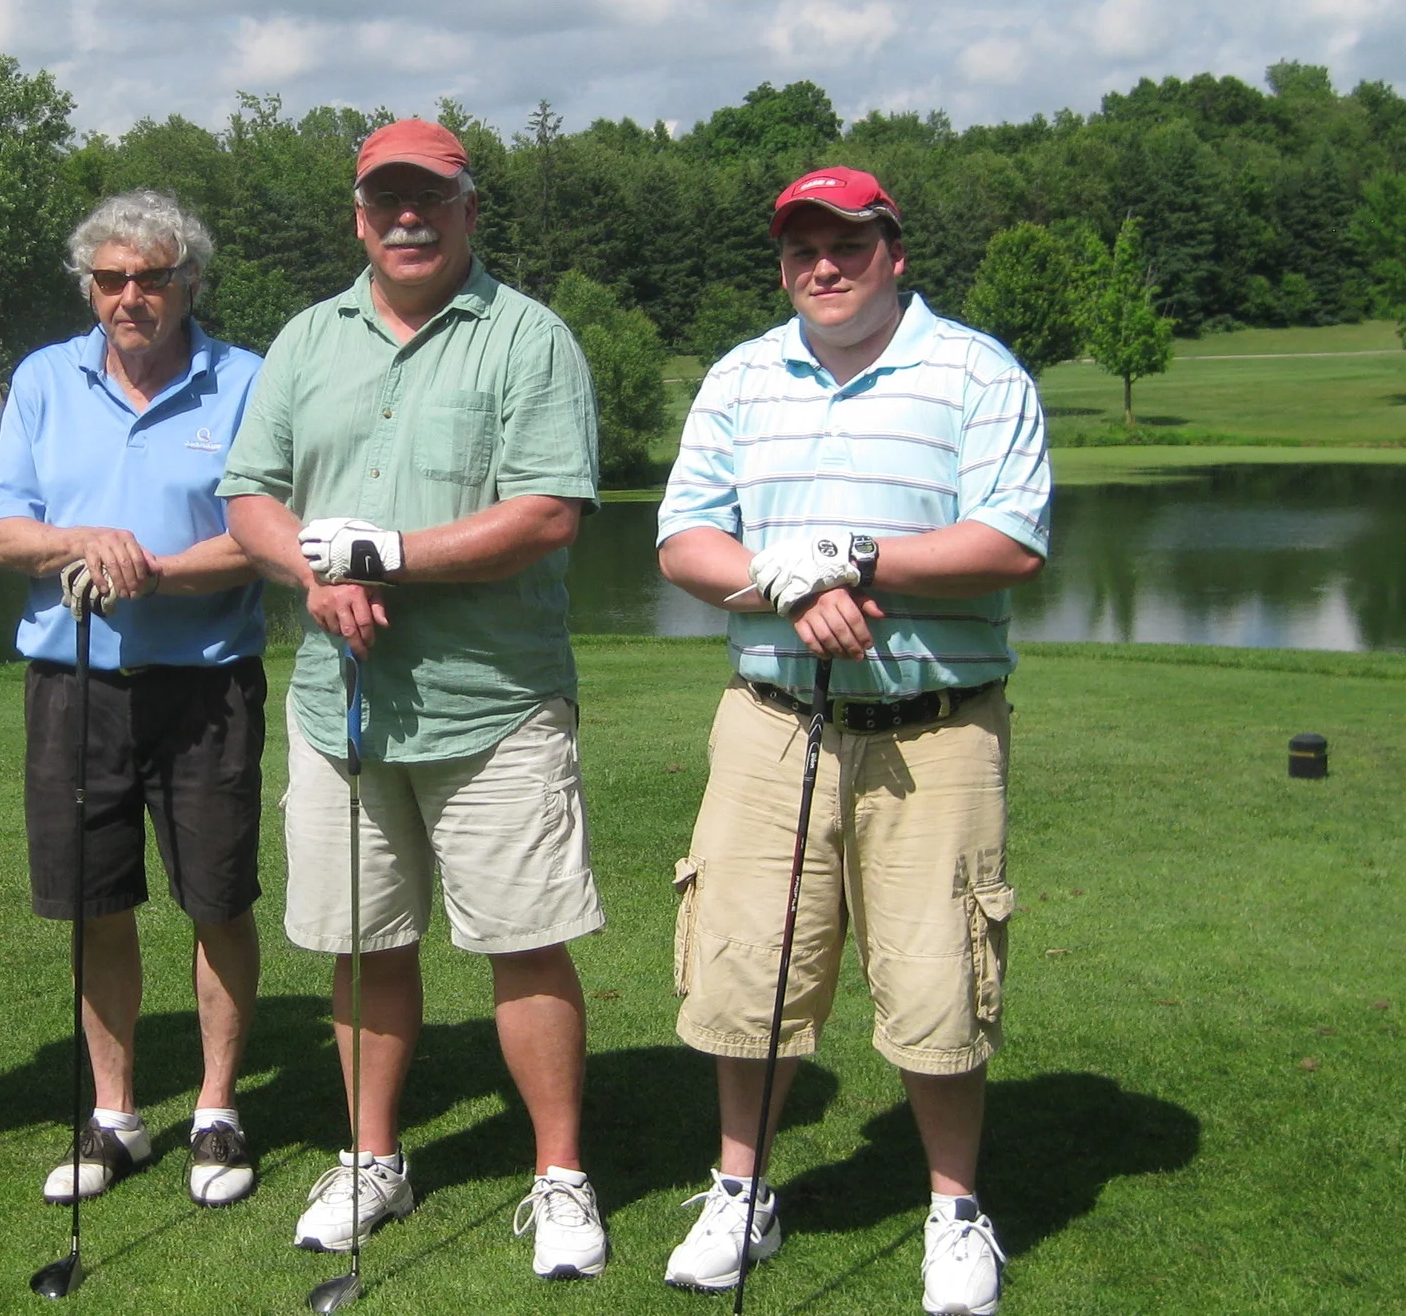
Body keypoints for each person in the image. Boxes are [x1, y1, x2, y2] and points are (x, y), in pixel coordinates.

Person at [218, 119, 612, 1280]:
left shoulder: (528, 338)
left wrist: (381, 552)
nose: (407, 216)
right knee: (360, 942)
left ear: (468, 210)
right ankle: (371, 1155)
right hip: (341, 706)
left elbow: (547, 510)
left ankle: (559, 1173)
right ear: (357, 213)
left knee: (524, 943)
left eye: (430, 198)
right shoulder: (306, 339)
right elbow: (251, 493)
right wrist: (311, 567)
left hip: (493, 704)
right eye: (385, 197)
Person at [653, 166, 1052, 1314]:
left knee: (938, 981)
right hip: (772, 719)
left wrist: (852, 556)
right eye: (799, 249)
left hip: (935, 729)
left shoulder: (974, 371)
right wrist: (779, 580)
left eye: (846, 245)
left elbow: (1008, 539)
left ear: (894, 252)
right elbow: (684, 538)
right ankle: (741, 1188)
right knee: (743, 963)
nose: (821, 266)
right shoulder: (739, 375)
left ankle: (953, 1208)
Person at [0, 190, 269, 1209]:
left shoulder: (244, 380)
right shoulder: (43, 379)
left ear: (191, 279)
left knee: (217, 895)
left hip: (205, 678)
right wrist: (82, 543)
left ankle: (217, 1105)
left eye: (152, 276)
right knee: (93, 898)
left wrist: (154, 570)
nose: (130, 296)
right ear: (89, 286)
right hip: (73, 677)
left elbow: (261, 537)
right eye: (111, 279)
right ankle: (114, 1113)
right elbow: (3, 528)